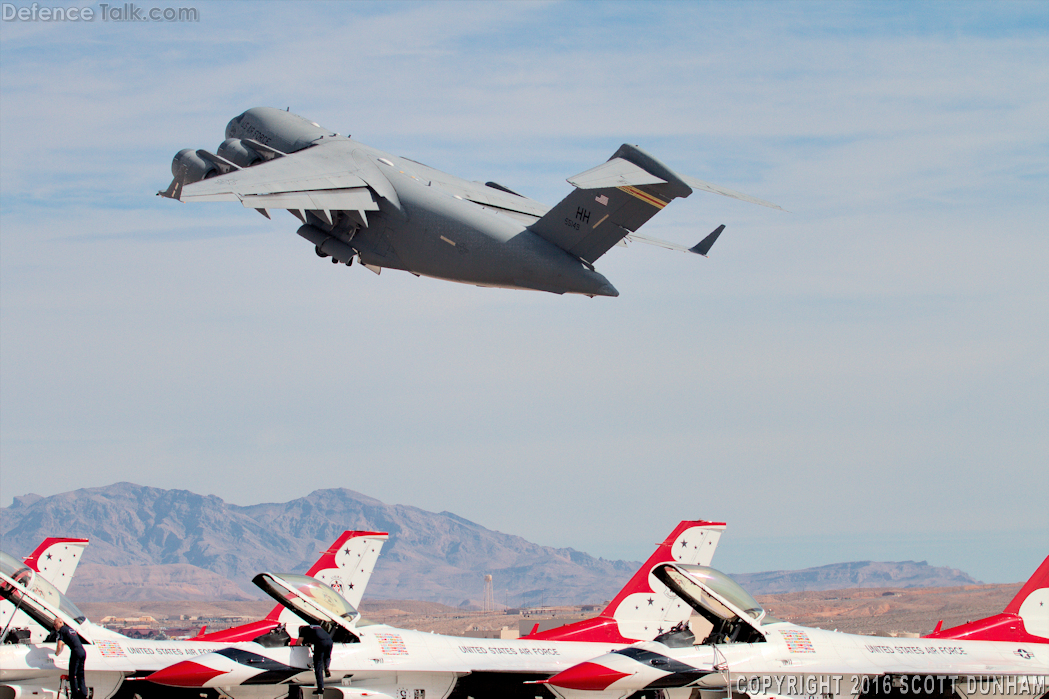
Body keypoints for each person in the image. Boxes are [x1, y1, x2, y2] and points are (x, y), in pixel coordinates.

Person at [53, 618, 87, 699]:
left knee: (72, 674)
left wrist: (56, 653)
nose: (55, 626)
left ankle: (75, 695)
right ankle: (83, 693)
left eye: (55, 624)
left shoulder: (62, 630)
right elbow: (71, 640)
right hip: (82, 652)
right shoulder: (70, 629)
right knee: (80, 674)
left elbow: (59, 644)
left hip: (75, 652)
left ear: (61, 622)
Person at [298, 624, 333, 695]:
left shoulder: (303, 630)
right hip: (330, 641)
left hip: (320, 642)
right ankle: (326, 666)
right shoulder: (316, 627)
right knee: (327, 656)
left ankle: (320, 688)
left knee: (318, 666)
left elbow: (298, 642)